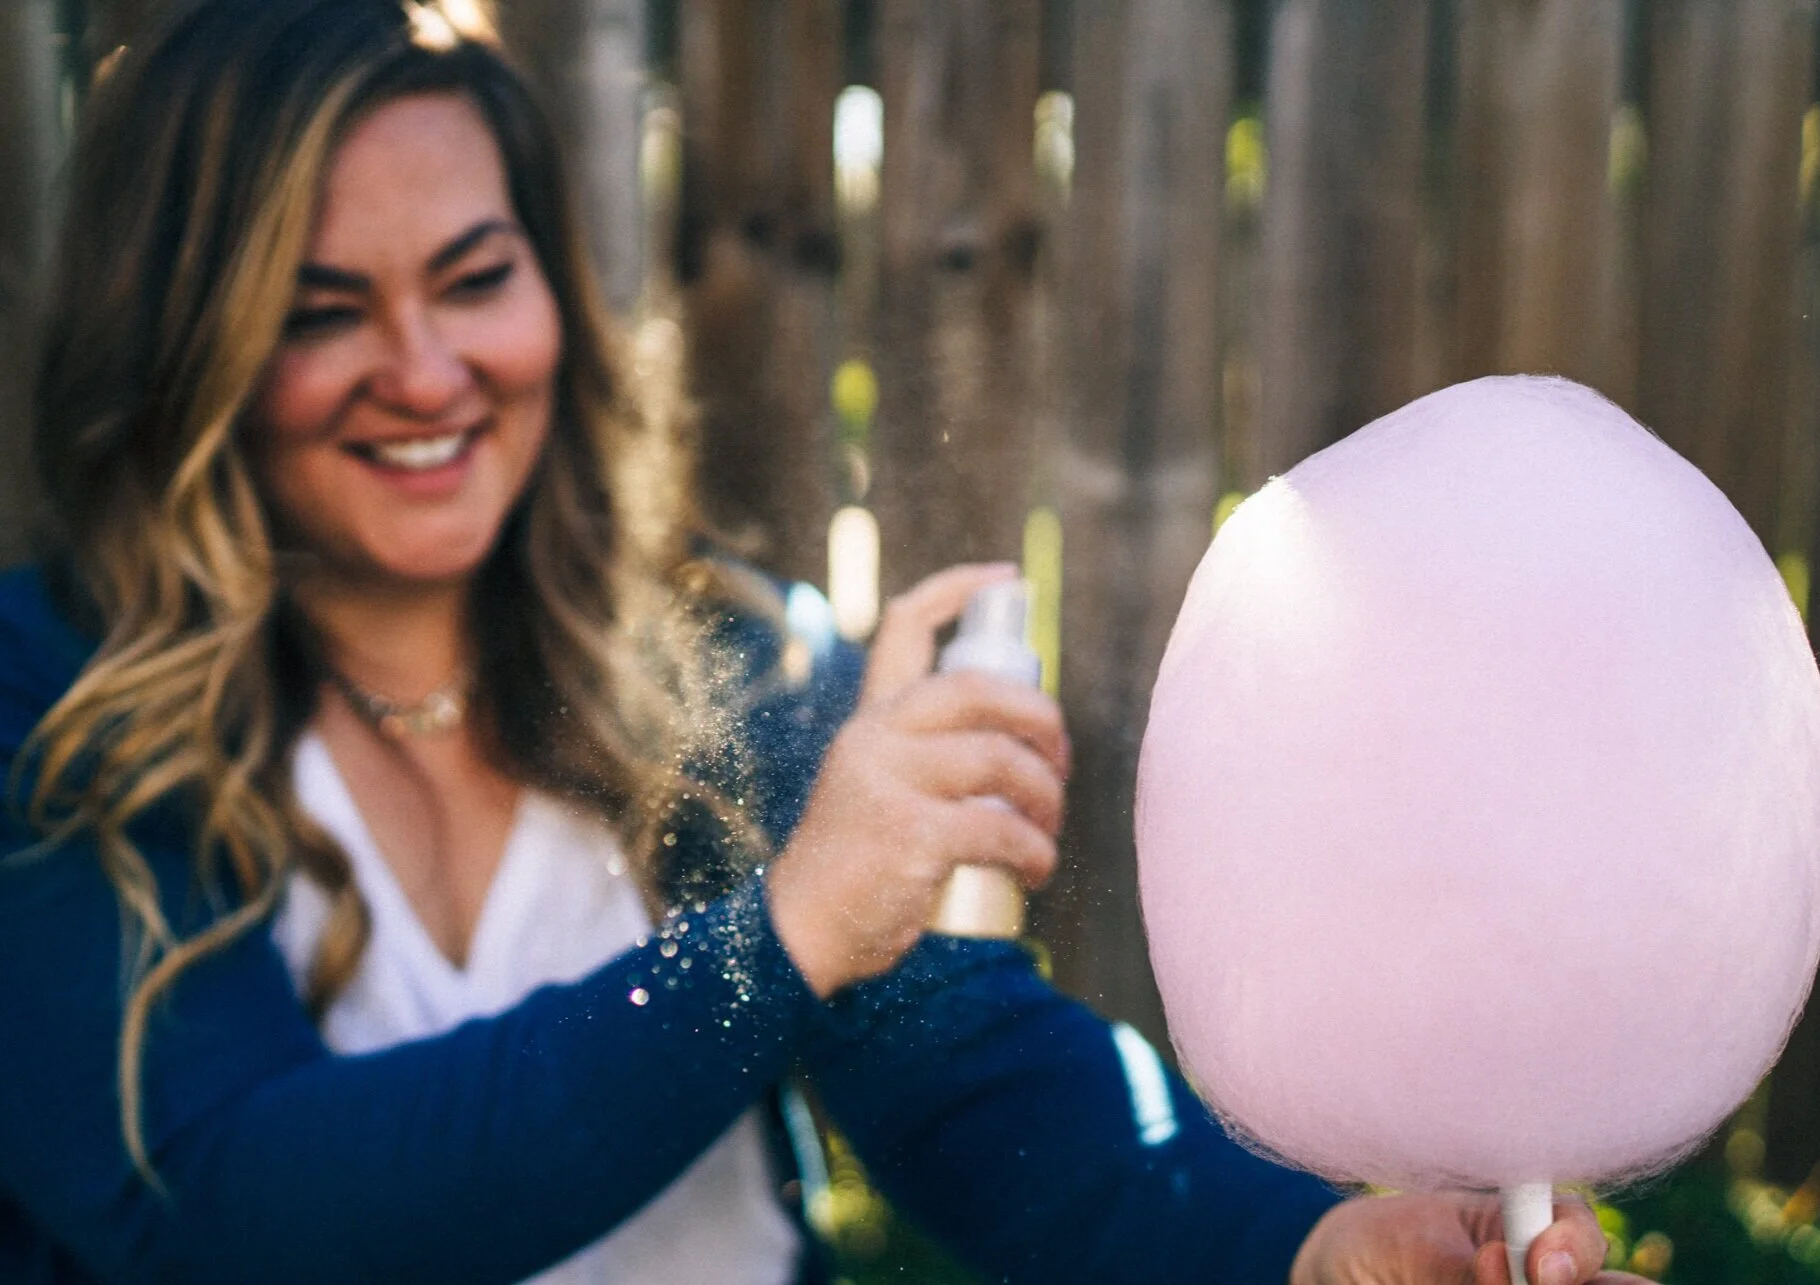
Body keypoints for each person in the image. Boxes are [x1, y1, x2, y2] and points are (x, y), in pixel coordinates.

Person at [0, 2, 1642, 1283]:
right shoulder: (55, 699)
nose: (425, 370)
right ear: (187, 333)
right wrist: (777, 940)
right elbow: (220, 1214)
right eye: (321, 306)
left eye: (473, 276)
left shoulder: (733, 672)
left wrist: (1296, 1249)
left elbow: (977, 1086)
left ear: (552, 295)